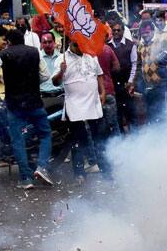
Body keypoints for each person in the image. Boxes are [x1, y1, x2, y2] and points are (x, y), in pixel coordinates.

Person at [0, 29, 54, 189]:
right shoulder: (35, 52)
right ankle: (42, 167)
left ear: (8, 42)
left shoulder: (4, 54)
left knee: (17, 140)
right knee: (45, 134)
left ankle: (25, 179)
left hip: (14, 105)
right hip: (35, 102)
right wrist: (32, 83)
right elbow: (45, 76)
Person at [52, 39, 110, 184]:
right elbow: (55, 82)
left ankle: (105, 170)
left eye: (82, 44)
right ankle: (79, 173)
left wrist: (102, 92)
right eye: (77, 45)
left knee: (98, 138)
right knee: (78, 140)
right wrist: (61, 71)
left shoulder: (91, 55)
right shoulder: (61, 59)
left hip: (93, 103)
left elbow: (99, 75)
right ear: (70, 43)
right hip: (74, 105)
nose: (80, 47)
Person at [108, 20, 138, 131]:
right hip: (113, 84)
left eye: (118, 30)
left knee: (130, 111)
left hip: (126, 83)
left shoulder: (130, 45)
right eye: (114, 30)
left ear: (123, 31)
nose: (116, 32)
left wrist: (130, 82)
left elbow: (134, 64)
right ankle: (121, 140)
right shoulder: (107, 46)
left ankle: (136, 137)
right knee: (118, 113)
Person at [97, 40, 121, 136]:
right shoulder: (107, 48)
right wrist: (107, 72)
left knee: (99, 127)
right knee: (113, 123)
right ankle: (119, 147)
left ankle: (104, 149)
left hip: (93, 93)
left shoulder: (86, 50)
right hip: (108, 89)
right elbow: (117, 67)